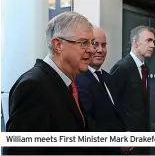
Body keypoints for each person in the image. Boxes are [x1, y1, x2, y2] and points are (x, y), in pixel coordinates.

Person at [4, 12, 97, 155]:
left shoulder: (66, 83)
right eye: (84, 42)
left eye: (92, 43)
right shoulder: (34, 86)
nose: (92, 50)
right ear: (58, 45)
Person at [75, 27, 126, 155]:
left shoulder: (109, 78)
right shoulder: (78, 79)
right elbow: (87, 123)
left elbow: (117, 114)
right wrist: (116, 143)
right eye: (95, 44)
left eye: (104, 45)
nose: (100, 50)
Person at [110, 25, 155, 155]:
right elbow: (111, 105)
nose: (153, 45)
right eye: (148, 40)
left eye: (153, 41)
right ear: (135, 42)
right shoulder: (122, 68)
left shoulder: (145, 68)